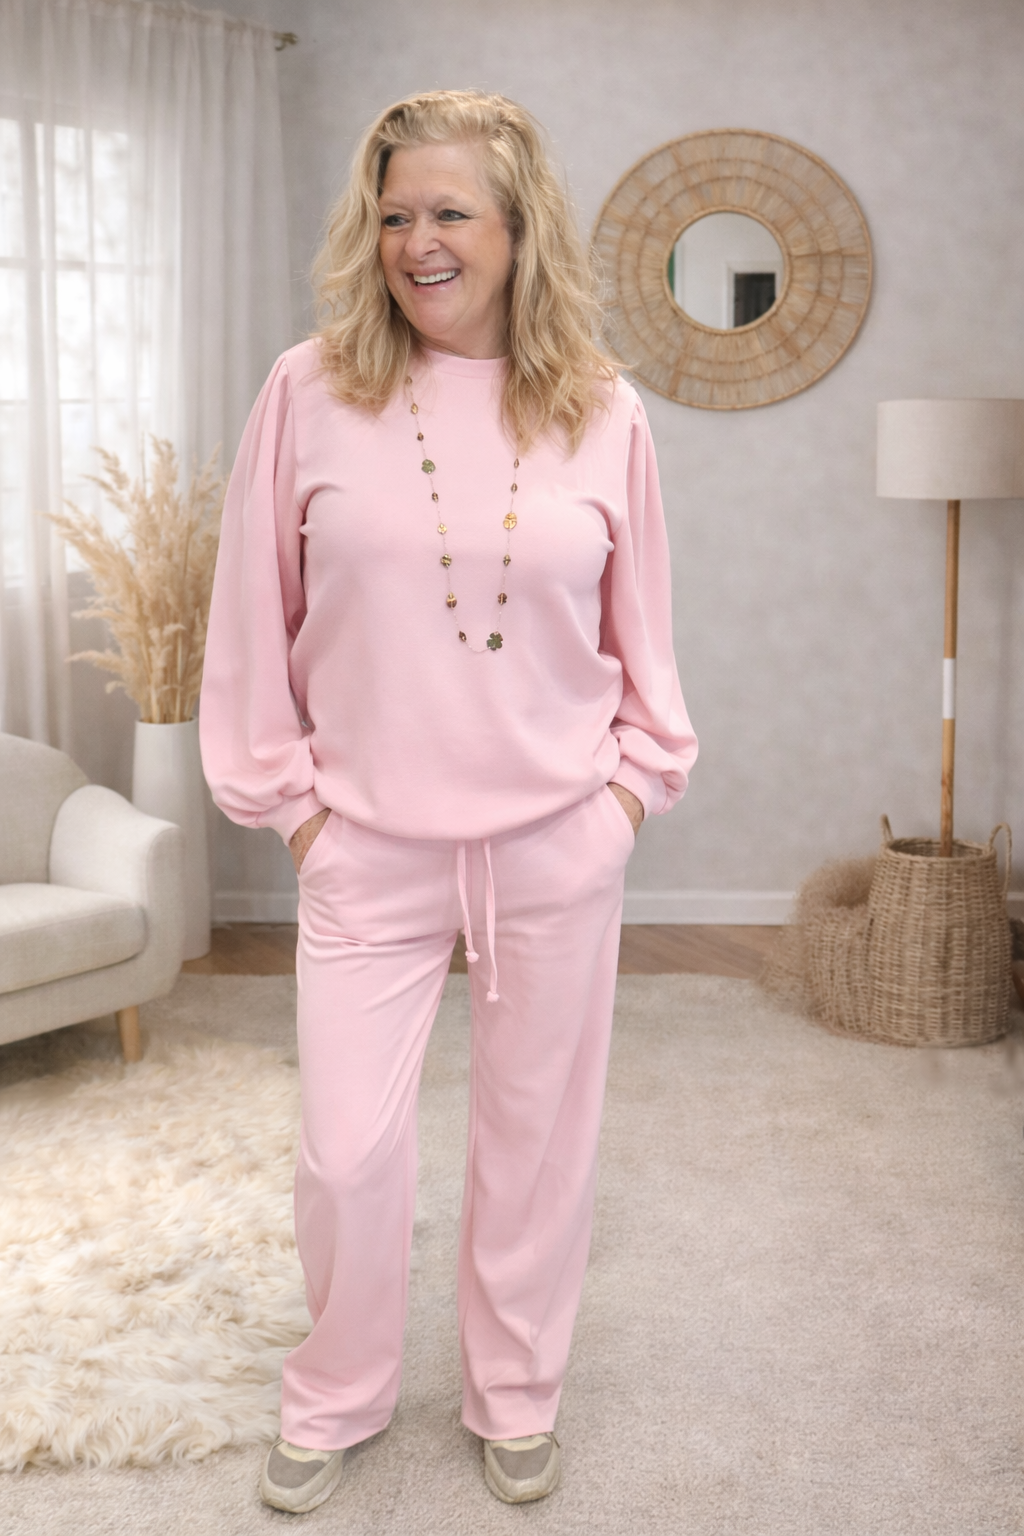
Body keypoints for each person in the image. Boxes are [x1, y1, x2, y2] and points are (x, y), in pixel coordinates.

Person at [199, 88, 697, 1516]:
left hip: (556, 839)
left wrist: (625, 798)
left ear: (519, 227)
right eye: (395, 215)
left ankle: (516, 1393)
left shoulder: (603, 407)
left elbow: (645, 639)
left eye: (451, 212)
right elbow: (254, 616)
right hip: (366, 842)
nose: (419, 242)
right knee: (347, 1152)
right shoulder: (308, 390)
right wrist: (296, 814)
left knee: (538, 1143)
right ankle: (337, 1392)